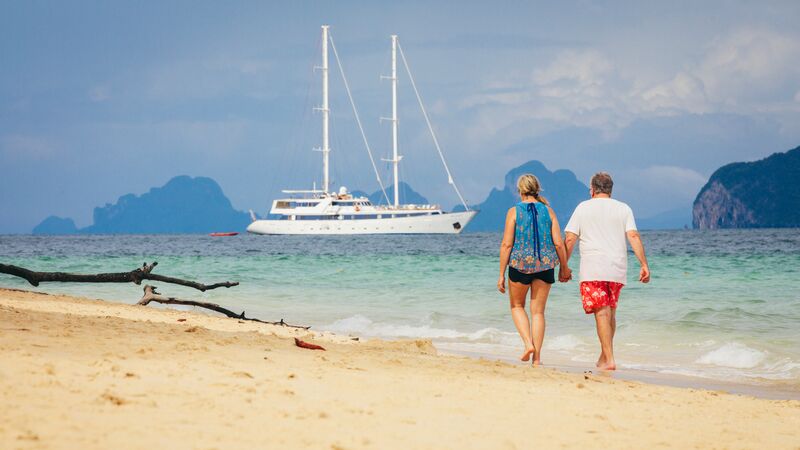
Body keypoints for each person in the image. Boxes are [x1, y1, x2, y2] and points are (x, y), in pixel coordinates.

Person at [564, 172, 650, 371]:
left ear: (592, 189)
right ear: (610, 190)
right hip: (617, 268)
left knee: (602, 313)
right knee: (610, 312)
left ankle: (609, 359)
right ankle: (604, 356)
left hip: (593, 267)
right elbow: (634, 236)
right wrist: (643, 264)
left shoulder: (583, 208)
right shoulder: (623, 208)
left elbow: (569, 239)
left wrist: (564, 265)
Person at [498, 174, 572, 365]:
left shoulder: (513, 212)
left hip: (519, 266)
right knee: (538, 312)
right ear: (537, 189)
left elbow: (507, 245)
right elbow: (558, 243)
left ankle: (527, 344)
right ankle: (537, 359)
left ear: (520, 191)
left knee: (517, 306)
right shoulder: (549, 211)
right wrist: (564, 267)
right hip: (545, 265)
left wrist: (501, 275)